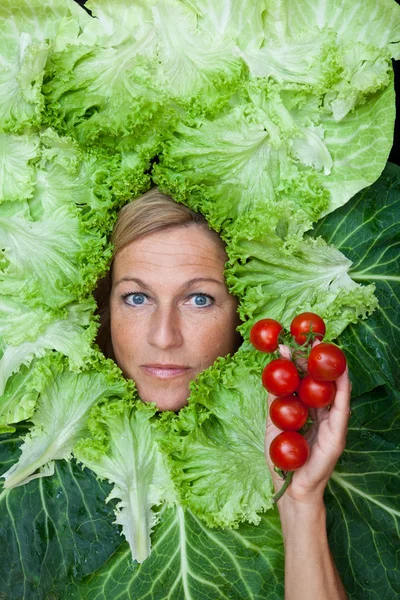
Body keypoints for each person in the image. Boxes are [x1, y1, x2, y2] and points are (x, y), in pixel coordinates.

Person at [95, 187, 350, 600]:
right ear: (107, 308)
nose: (163, 337)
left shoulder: (288, 436)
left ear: (243, 314)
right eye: (136, 297)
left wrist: (300, 503)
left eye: (199, 299)